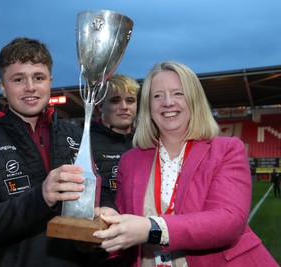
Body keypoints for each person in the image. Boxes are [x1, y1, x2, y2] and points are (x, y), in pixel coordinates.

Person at [93, 61, 278, 266]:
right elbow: (124, 224)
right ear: (148, 106)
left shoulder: (226, 149)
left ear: (194, 100)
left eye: (178, 93)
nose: (168, 102)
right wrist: (109, 219)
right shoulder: (130, 161)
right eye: (157, 96)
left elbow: (228, 220)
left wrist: (152, 228)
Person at [0, 37, 116, 267]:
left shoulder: (76, 134)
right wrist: (41, 197)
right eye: (18, 79)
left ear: (50, 81)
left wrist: (108, 211)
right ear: (2, 86)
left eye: (38, 78)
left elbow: (103, 193)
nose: (30, 87)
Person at [91, 74, 140, 204]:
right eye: (115, 101)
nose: (124, 106)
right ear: (100, 105)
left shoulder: (147, 142)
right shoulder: (84, 143)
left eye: (130, 101)